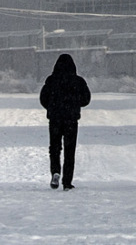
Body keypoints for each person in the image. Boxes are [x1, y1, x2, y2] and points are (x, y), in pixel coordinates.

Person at [38, 52, 91, 189]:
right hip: (71, 120)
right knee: (69, 150)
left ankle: (55, 172)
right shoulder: (78, 81)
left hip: (55, 119)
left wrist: (52, 108)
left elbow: (43, 98)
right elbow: (86, 100)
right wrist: (74, 104)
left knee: (54, 148)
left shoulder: (51, 80)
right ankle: (67, 182)